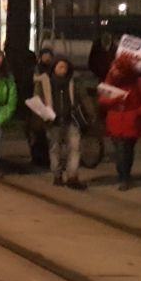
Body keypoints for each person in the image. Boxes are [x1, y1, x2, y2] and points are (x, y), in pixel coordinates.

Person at [33, 56, 97, 190]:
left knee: (75, 148)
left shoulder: (74, 82)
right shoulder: (45, 82)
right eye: (60, 67)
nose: (63, 70)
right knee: (55, 149)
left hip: (71, 119)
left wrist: (91, 113)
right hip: (53, 121)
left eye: (65, 67)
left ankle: (72, 177)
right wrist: (40, 119)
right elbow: (37, 101)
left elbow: (84, 98)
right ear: (54, 68)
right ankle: (57, 175)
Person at [99, 54, 141, 191]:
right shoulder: (110, 81)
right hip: (115, 120)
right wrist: (115, 99)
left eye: (116, 68)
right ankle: (123, 175)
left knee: (126, 149)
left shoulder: (138, 82)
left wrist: (138, 113)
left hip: (131, 121)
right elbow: (102, 100)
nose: (113, 71)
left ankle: (124, 176)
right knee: (121, 149)